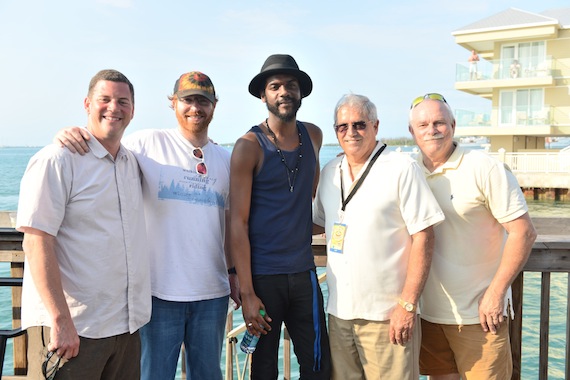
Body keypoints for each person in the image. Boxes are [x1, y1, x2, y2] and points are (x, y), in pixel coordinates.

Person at [54, 71, 239, 380]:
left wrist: (234, 275)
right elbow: (104, 142)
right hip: (156, 295)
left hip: (212, 294)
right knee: (153, 375)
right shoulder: (146, 143)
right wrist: (71, 133)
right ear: (174, 104)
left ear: (214, 106)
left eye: (204, 101)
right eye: (188, 100)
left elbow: (230, 225)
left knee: (208, 375)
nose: (196, 108)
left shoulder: (226, 158)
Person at [17, 69, 151, 379]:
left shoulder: (132, 163)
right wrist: (60, 320)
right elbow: (36, 242)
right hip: (75, 328)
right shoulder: (57, 159)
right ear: (87, 104)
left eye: (123, 101)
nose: (114, 108)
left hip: (125, 327)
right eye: (104, 99)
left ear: (133, 110)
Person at [312, 94, 445, 380]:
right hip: (339, 314)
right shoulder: (330, 172)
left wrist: (407, 305)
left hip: (388, 317)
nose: (351, 132)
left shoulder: (401, 168)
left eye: (359, 124)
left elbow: (424, 235)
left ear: (375, 126)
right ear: (335, 131)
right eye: (342, 127)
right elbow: (316, 223)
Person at [408, 93, 537, 380]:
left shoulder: (484, 167)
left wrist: (496, 293)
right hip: (427, 314)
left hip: (480, 315)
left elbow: (523, 232)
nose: (432, 130)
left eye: (439, 122)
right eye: (423, 124)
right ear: (411, 131)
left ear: (453, 125)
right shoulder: (408, 170)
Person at [230, 54, 332, 379]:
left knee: (319, 366)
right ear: (264, 95)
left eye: (291, 85)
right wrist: (246, 292)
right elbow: (237, 223)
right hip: (264, 279)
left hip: (304, 274)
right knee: (263, 371)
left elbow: (311, 199)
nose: (284, 91)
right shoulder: (249, 146)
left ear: (300, 92)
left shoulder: (314, 136)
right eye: (275, 86)